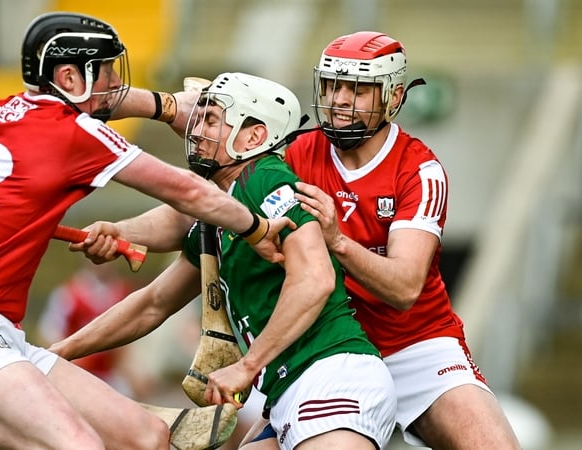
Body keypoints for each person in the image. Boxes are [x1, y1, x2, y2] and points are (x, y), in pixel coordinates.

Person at [72, 31, 522, 450]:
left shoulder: (417, 171)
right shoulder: (293, 153)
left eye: (356, 89)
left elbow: (404, 288)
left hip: (413, 346)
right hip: (319, 349)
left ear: (394, 97)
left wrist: (338, 242)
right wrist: (124, 225)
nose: (340, 101)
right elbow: (201, 203)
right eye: (331, 87)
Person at [0, 12, 295, 450]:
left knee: (147, 437)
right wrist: (257, 228)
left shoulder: (11, 112)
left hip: (0, 334)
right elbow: (186, 192)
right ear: (69, 76)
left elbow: (104, 113)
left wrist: (165, 107)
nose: (114, 83)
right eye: (105, 70)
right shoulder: (72, 133)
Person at [51, 72, 397, 450]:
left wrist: (247, 367)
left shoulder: (263, 180)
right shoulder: (221, 215)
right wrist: (55, 355)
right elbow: (152, 305)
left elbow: (315, 279)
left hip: (332, 378)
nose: (196, 131)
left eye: (212, 119)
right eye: (198, 118)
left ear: (254, 138)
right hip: (287, 393)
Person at [36, 262, 153, 400]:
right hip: (78, 374)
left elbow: (128, 340)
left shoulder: (123, 291)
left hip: (110, 375)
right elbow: (48, 334)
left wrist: (133, 371)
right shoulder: (69, 294)